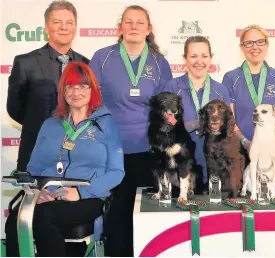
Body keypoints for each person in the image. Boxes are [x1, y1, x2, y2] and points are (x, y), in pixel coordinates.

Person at [4, 62, 125, 257]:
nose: (76, 92)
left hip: (87, 197)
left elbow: (116, 172)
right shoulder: (50, 124)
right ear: (63, 91)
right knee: (16, 219)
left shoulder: (107, 123)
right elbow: (34, 167)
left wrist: (80, 192)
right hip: (48, 195)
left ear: (92, 89)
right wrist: (37, 192)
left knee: (44, 216)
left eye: (82, 86)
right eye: (70, 86)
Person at [89, 5, 172, 256]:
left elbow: (167, 108)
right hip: (112, 150)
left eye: (139, 22)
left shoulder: (160, 63)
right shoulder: (102, 57)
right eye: (128, 22)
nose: (134, 26)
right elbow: (90, 100)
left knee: (150, 212)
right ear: (120, 28)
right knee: (117, 214)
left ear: (149, 29)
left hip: (149, 149)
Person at [6, 0, 89, 173]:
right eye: (57, 22)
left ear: (75, 28)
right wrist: (43, 128)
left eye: (69, 23)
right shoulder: (26, 63)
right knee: (37, 200)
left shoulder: (86, 65)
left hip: (78, 156)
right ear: (46, 27)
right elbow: (15, 108)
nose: (63, 27)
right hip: (36, 152)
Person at [159, 36, 230, 193]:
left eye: (204, 56)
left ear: (211, 58)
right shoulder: (171, 87)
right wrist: (197, 123)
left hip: (213, 171)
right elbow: (164, 126)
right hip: (180, 173)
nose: (199, 61)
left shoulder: (221, 90)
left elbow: (229, 129)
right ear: (185, 59)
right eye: (193, 56)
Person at [222, 25, 275, 160]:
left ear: (267, 45)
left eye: (260, 42)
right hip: (240, 150)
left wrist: (273, 138)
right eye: (249, 43)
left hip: (271, 150)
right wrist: (246, 142)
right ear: (242, 47)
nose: (255, 47)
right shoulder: (231, 78)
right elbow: (230, 120)